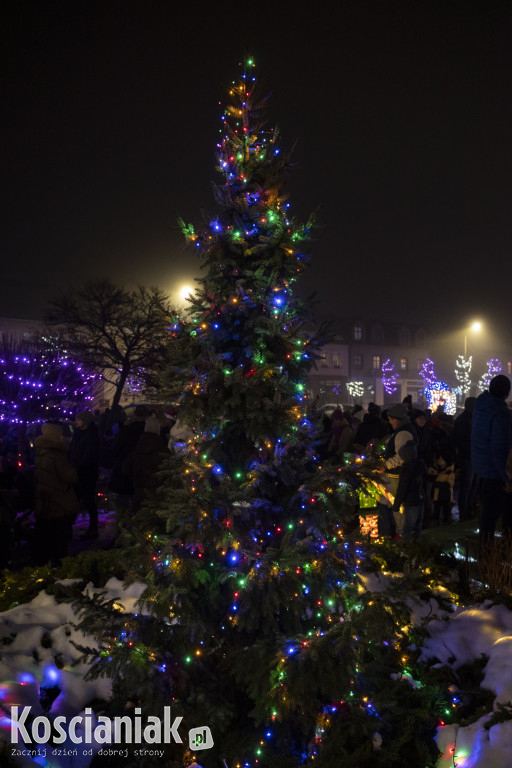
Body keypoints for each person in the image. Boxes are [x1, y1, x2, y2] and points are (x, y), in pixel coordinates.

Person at [471, 374, 512, 548]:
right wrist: (507, 478)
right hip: (496, 472)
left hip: (482, 467)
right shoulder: (501, 414)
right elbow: (499, 448)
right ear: (507, 393)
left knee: (487, 516)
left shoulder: (481, 407)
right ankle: (496, 556)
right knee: (502, 515)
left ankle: (486, 554)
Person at [33, 423, 79, 566]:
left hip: (44, 499)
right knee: (59, 541)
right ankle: (59, 570)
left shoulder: (40, 452)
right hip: (58, 500)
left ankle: (43, 567)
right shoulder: (57, 455)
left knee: (45, 537)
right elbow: (70, 477)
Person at [122, 415, 170, 513]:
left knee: (137, 517)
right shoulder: (163, 451)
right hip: (158, 491)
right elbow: (169, 469)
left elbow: (125, 467)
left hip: (139, 490)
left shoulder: (136, 451)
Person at [69, 410, 100, 539]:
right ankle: (68, 526)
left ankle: (93, 528)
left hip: (87, 473)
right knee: (73, 500)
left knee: (88, 500)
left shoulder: (91, 436)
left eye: (79, 419)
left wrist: (79, 465)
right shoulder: (78, 433)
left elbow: (89, 455)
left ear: (85, 422)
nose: (76, 421)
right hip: (76, 471)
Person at [392, 441, 426, 540]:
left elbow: (402, 488)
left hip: (411, 502)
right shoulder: (420, 465)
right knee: (418, 525)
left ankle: (406, 548)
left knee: (408, 526)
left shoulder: (406, 470)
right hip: (420, 499)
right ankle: (418, 544)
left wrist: (396, 504)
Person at [451, 397, 478, 521]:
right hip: (469, 456)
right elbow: (459, 440)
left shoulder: (468, 418)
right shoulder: (465, 420)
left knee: (472, 484)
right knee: (468, 484)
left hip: (472, 455)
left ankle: (468, 508)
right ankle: (465, 510)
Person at [383, 402, 417, 496]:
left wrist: (385, 465)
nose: (390, 422)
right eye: (389, 419)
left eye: (392, 419)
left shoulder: (403, 433)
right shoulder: (401, 430)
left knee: (397, 506)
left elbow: (401, 456)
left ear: (400, 419)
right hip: (397, 474)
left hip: (398, 475)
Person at [428, 447, 456, 525]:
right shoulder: (437, 469)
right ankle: (437, 523)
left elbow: (448, 485)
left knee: (446, 513)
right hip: (437, 496)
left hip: (445, 497)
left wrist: (436, 483)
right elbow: (430, 479)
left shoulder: (450, 473)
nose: (439, 460)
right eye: (439, 458)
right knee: (436, 511)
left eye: (442, 459)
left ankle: (446, 524)